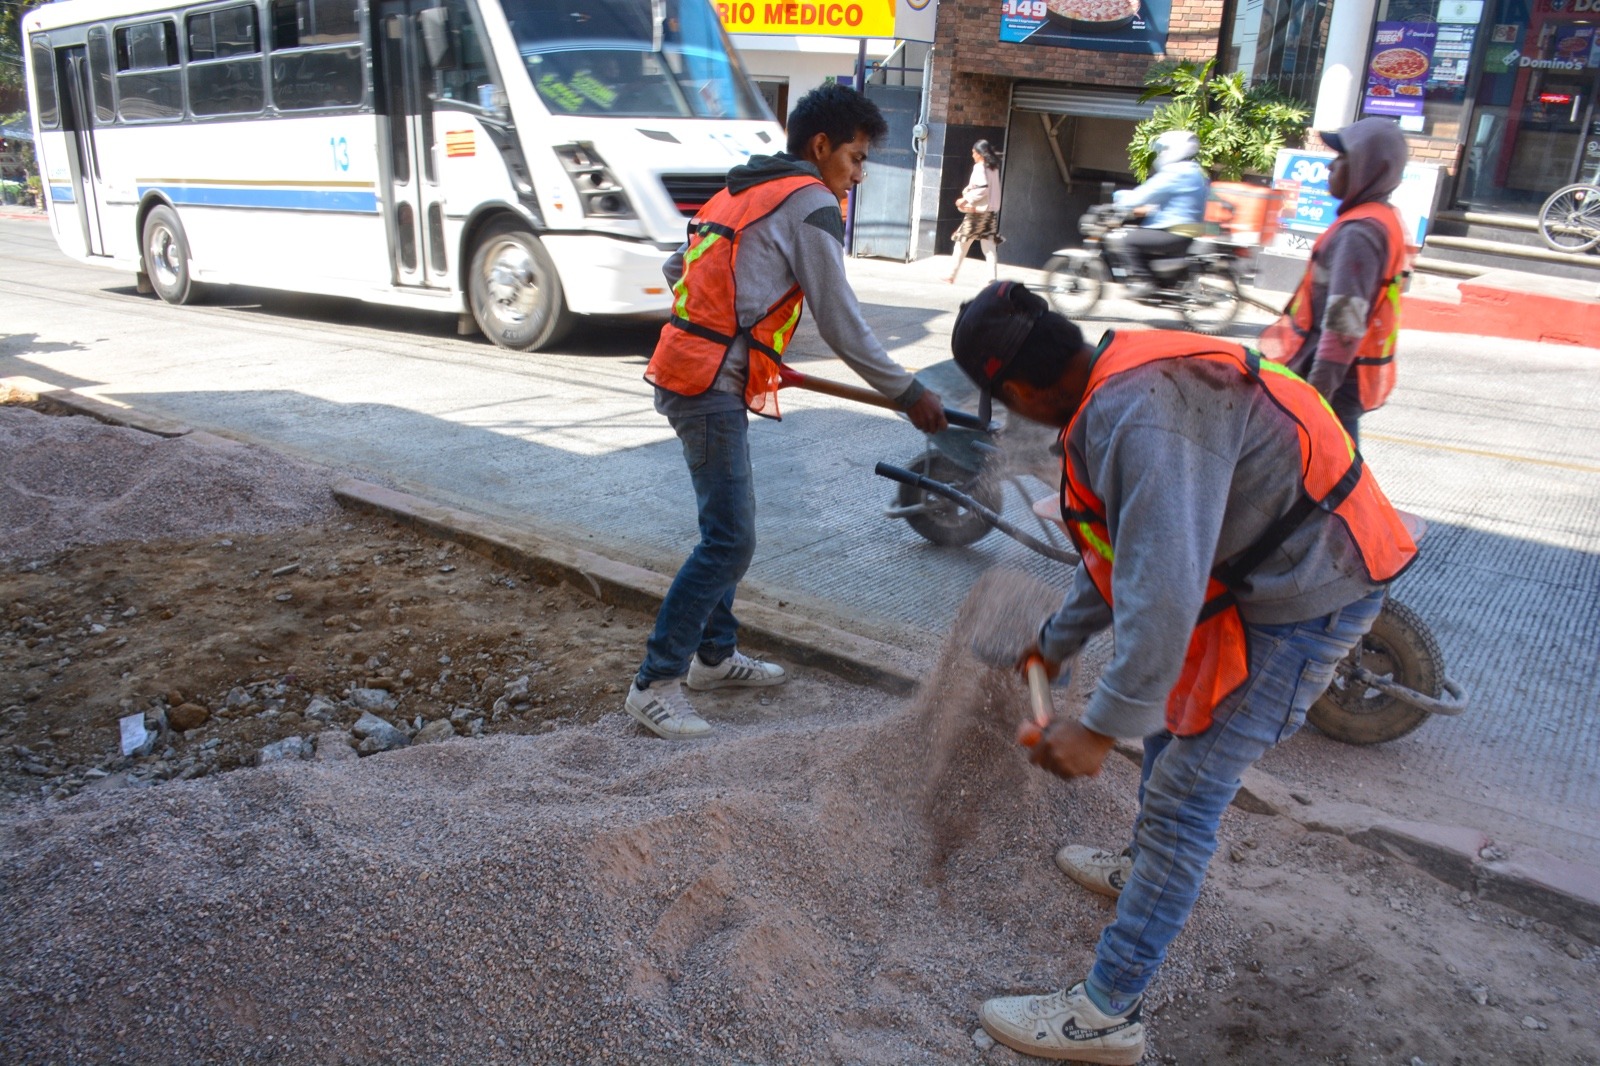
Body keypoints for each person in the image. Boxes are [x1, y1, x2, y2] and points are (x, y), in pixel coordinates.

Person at [949, 280, 1418, 1065]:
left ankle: (1107, 1014)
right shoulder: (1118, 377)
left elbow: (1161, 598)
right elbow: (1120, 558)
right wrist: (1055, 643)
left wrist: (1098, 729)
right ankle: (1145, 868)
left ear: (1020, 392)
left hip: (1310, 589)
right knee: (1173, 722)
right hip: (1262, 573)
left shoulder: (1139, 418)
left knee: (1185, 793)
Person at [624, 83, 949, 740]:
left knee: (724, 530)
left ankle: (714, 658)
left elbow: (679, 266)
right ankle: (655, 682)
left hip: (694, 370)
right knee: (730, 538)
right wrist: (908, 392)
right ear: (821, 146)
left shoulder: (740, 190)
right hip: (707, 384)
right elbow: (842, 322)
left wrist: (729, 327)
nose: (858, 175)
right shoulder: (809, 201)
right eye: (856, 158)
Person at [1259, 117, 1410, 447]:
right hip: (1340, 377)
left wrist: (1315, 398)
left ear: (1366, 168)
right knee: (1330, 470)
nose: (1330, 167)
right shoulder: (1380, 219)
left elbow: (1344, 325)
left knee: (1330, 473)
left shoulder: (1359, 233)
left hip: (1333, 380)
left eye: (1342, 158)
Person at [1106, 129, 1210, 295]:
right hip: (1189, 232)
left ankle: (1143, 282)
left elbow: (1142, 195)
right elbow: (1176, 201)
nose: (1161, 154)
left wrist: (1119, 199)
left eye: (1164, 150)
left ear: (1175, 149)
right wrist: (1148, 209)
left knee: (1125, 240)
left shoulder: (1175, 173)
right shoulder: (1197, 172)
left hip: (1173, 231)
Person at [944, 139, 1004, 285]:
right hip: (989, 213)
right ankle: (991, 277)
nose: (972, 155)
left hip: (976, 213)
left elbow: (983, 188)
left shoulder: (980, 167)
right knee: (989, 247)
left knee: (962, 243)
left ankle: (951, 275)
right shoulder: (993, 167)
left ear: (980, 154)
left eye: (973, 153)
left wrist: (965, 199)